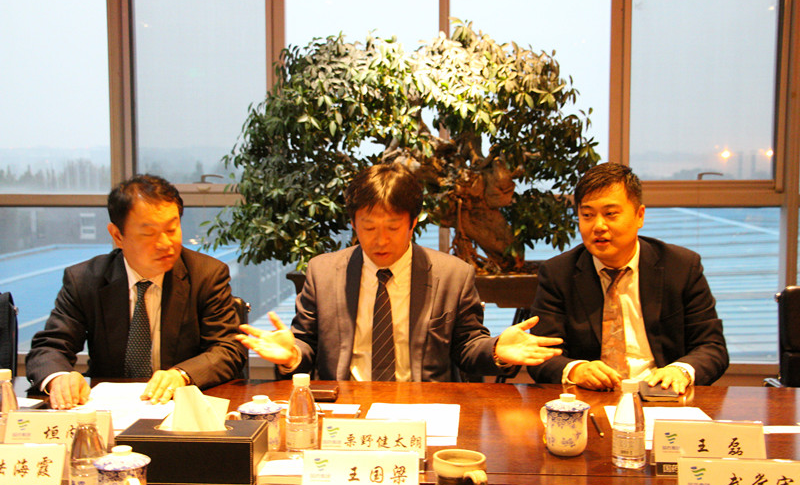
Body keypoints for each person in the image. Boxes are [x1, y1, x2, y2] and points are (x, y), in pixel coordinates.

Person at [237, 163, 563, 381]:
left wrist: (495, 350)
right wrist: (291, 355)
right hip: (345, 405)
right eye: (369, 227)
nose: (380, 240)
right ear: (353, 224)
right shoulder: (323, 272)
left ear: (413, 223)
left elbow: (467, 346)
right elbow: (305, 345)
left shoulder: (452, 275)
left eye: (392, 227)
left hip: (424, 405)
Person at [26, 174, 248, 409]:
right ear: (117, 235)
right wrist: (59, 378)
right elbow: (50, 347)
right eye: (149, 233)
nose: (165, 243)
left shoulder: (205, 274)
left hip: (182, 409)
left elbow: (228, 349)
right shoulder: (85, 280)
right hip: (109, 411)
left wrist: (182, 375)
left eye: (172, 229)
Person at [527, 163, 729, 393]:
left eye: (610, 214)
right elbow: (541, 353)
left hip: (661, 393)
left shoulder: (681, 267)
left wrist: (680, 370)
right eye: (587, 215)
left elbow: (712, 347)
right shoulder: (558, 273)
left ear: (639, 215)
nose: (598, 226)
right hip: (591, 397)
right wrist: (576, 370)